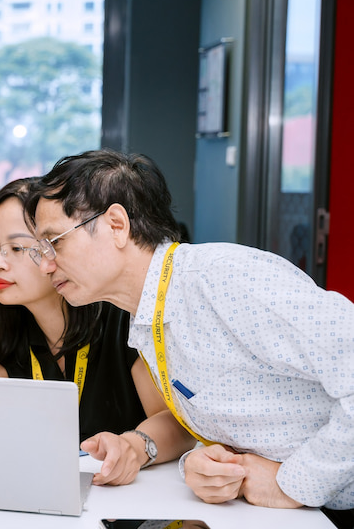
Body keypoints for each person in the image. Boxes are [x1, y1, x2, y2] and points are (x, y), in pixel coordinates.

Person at [28, 149, 354, 519]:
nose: (46, 265)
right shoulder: (149, 320)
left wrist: (293, 484)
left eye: (54, 242)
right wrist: (202, 466)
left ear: (116, 225)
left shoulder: (225, 279)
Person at [0, 178, 195, 486]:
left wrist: (134, 447)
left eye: (17, 248)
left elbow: (178, 423)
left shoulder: (122, 323)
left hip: (130, 504)